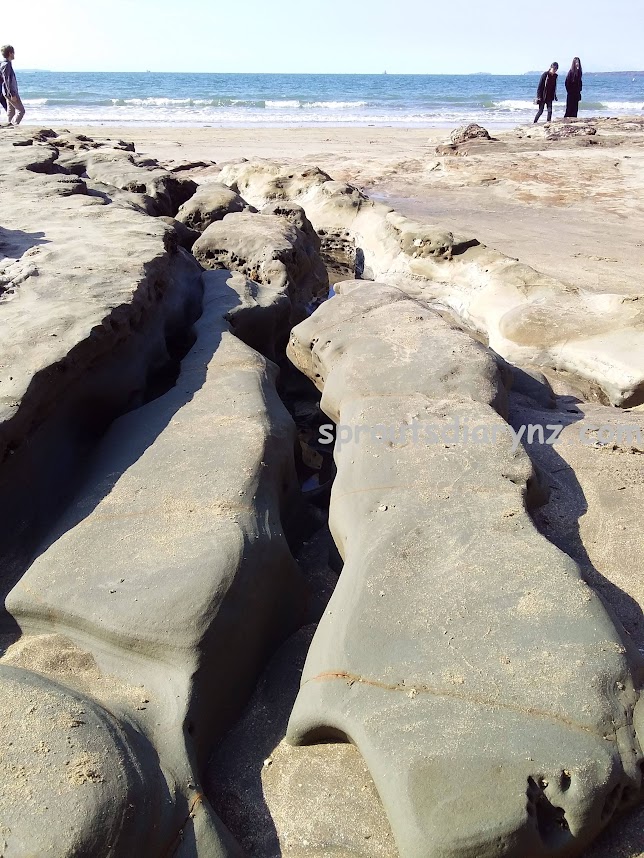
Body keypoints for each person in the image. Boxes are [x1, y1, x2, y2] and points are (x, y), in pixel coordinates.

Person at [0, 45, 25, 126]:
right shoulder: (6, 64)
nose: (14, 54)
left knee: (11, 111)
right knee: (21, 111)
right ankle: (13, 125)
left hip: (6, 92)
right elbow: (7, 80)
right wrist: (12, 94)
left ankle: (8, 125)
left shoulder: (4, 63)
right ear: (10, 53)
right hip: (10, 92)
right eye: (13, 53)